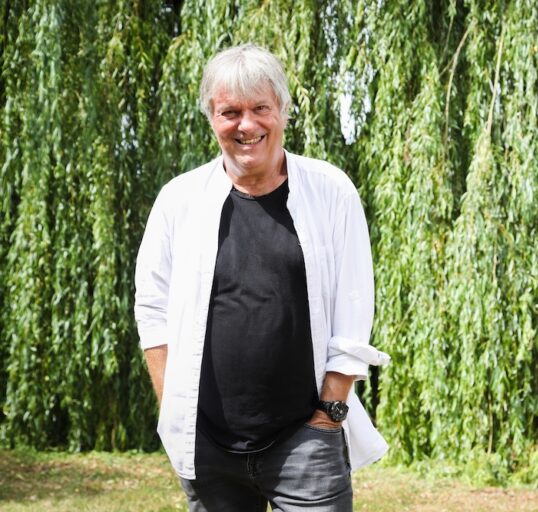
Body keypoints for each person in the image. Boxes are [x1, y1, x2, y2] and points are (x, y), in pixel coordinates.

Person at [134, 44, 389, 512]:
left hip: (306, 441)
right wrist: (174, 411)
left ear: (283, 111)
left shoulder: (331, 192)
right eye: (230, 112)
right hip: (207, 447)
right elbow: (152, 309)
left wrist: (329, 415)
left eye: (260, 109)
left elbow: (354, 307)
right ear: (211, 117)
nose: (246, 125)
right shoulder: (178, 201)